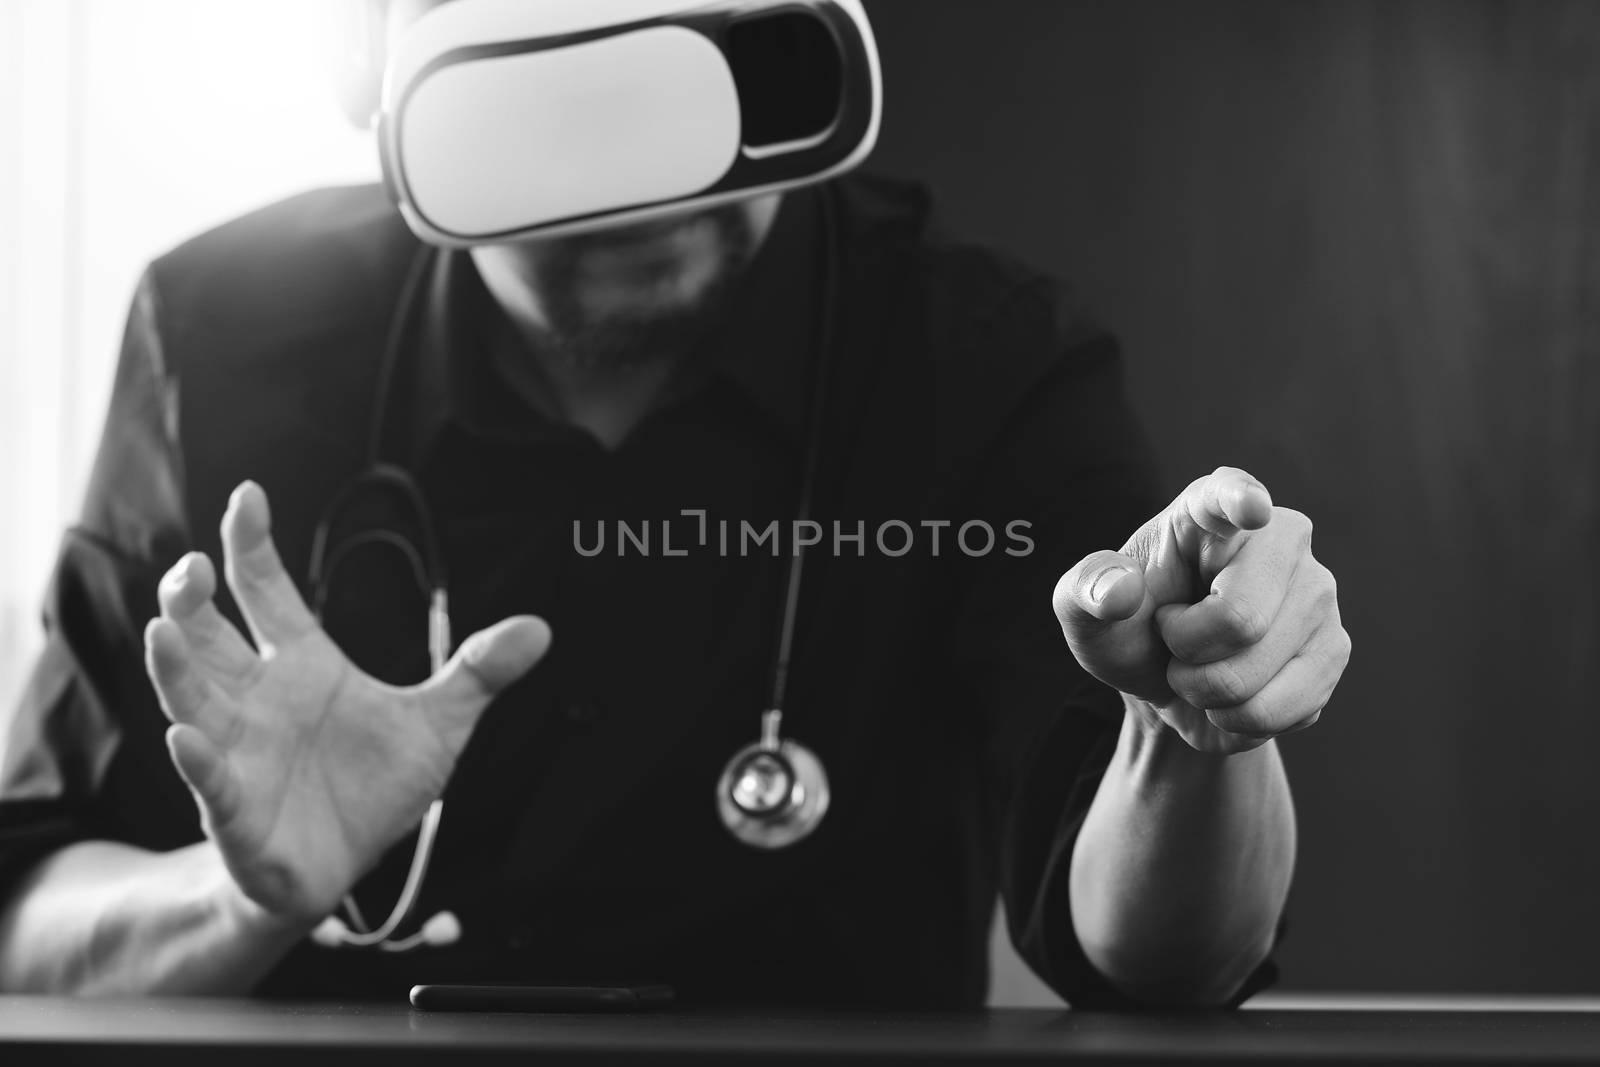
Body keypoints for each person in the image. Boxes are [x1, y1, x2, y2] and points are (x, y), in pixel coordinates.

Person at [0, 0, 1348, 1007]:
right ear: (384, 63)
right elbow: (27, 921)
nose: (638, 188)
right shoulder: (224, 332)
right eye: (558, 106)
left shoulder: (981, 352)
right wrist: (237, 899)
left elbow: (1162, 961)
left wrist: (1186, 727)